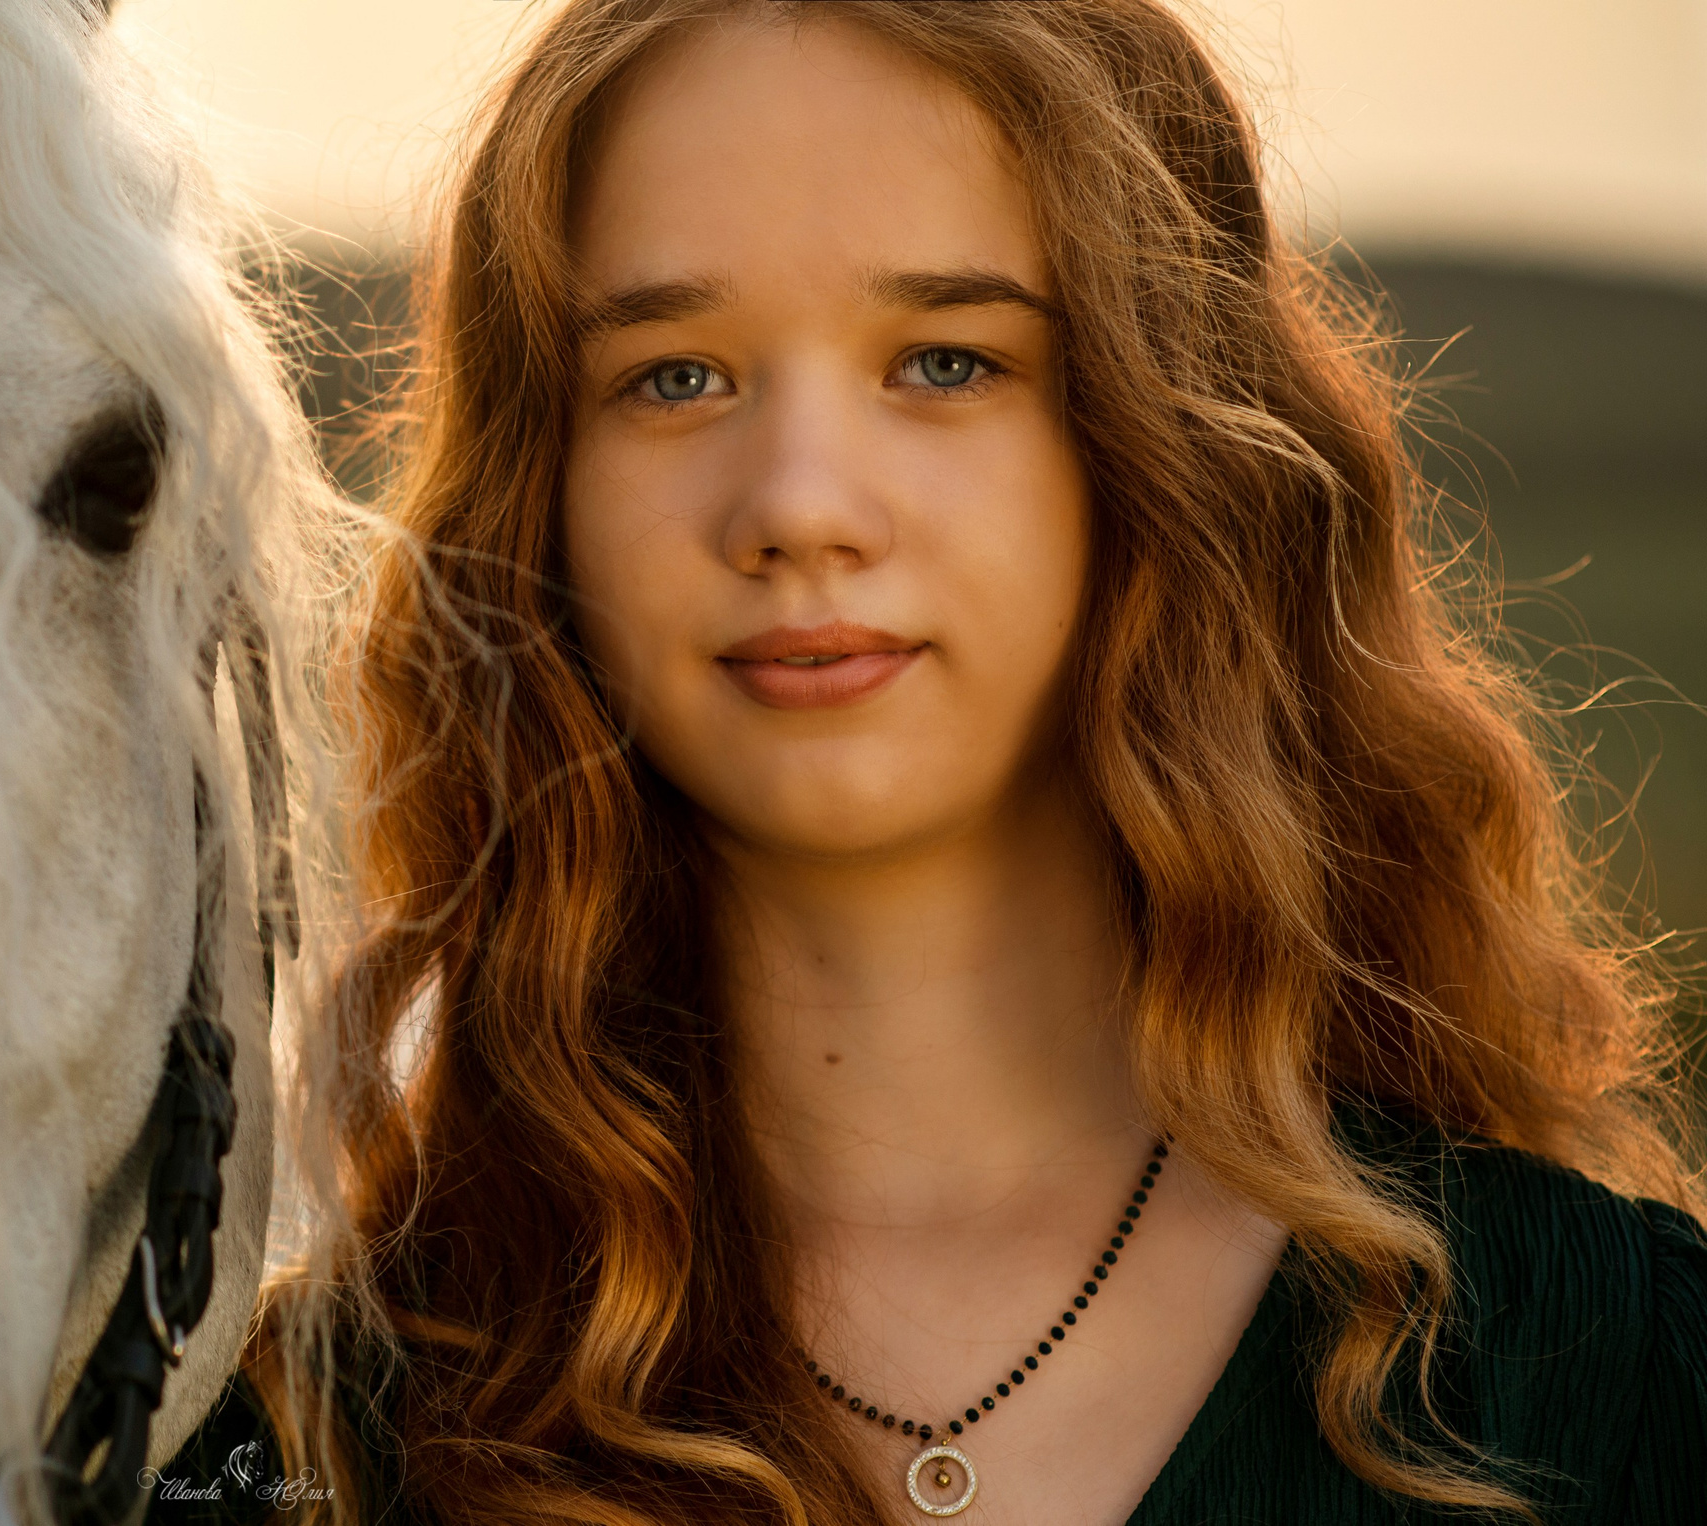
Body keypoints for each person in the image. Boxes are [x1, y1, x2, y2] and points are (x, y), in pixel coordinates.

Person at [147, 2, 1707, 1522]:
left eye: (947, 361)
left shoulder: (1625, 1375)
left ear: (1164, 446)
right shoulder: (297, 1453)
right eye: (673, 375)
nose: (802, 502)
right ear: (535, 504)